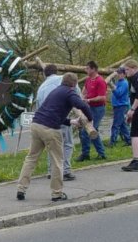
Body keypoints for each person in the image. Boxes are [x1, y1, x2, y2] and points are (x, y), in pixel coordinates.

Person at [17, 72, 93, 202]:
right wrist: (90, 119)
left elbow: (53, 112)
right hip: (50, 129)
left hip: (36, 125)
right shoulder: (70, 92)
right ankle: (56, 193)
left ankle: (21, 189)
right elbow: (82, 105)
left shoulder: (56, 91)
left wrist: (71, 122)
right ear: (74, 84)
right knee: (57, 161)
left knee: (31, 158)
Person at [36, 64, 76, 181]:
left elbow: (39, 106)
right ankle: (66, 170)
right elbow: (74, 95)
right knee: (67, 144)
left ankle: (51, 170)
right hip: (63, 116)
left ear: (44, 74)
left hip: (47, 121)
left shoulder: (41, 87)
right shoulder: (63, 80)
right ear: (56, 71)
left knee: (51, 146)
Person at [77, 60, 107, 161]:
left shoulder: (100, 81)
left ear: (93, 69)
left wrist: (89, 100)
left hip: (98, 109)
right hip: (90, 108)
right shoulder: (89, 79)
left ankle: (85, 154)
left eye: (88, 68)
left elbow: (102, 97)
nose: (86, 70)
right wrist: (81, 98)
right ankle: (102, 153)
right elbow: (84, 91)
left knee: (87, 130)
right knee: (93, 131)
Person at [108, 66, 132, 146]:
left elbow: (118, 94)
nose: (118, 75)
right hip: (117, 105)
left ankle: (112, 142)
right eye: (118, 73)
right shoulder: (119, 82)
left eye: (120, 73)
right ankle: (129, 140)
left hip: (121, 106)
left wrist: (112, 86)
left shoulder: (124, 83)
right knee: (122, 125)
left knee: (116, 125)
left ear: (124, 74)